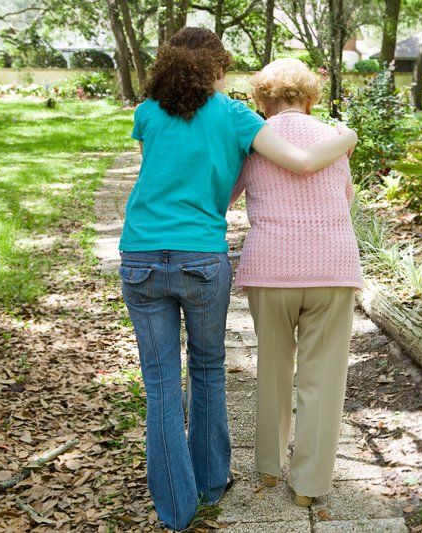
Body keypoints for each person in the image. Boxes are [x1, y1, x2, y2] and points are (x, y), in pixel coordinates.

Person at [119, 29, 357, 531]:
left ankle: (186, 506)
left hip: (151, 252)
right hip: (229, 259)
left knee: (164, 386)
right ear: (217, 70)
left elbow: (182, 177)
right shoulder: (240, 120)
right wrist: (348, 137)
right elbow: (319, 176)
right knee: (215, 370)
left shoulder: (153, 114)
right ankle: (244, 484)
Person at [230, 58, 363, 507]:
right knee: (322, 379)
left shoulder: (254, 141)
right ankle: (308, 486)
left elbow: (226, 194)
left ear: (262, 101)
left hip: (271, 268)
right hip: (333, 268)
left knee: (272, 366)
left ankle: (269, 468)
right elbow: (345, 197)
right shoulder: (334, 138)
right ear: (310, 99)